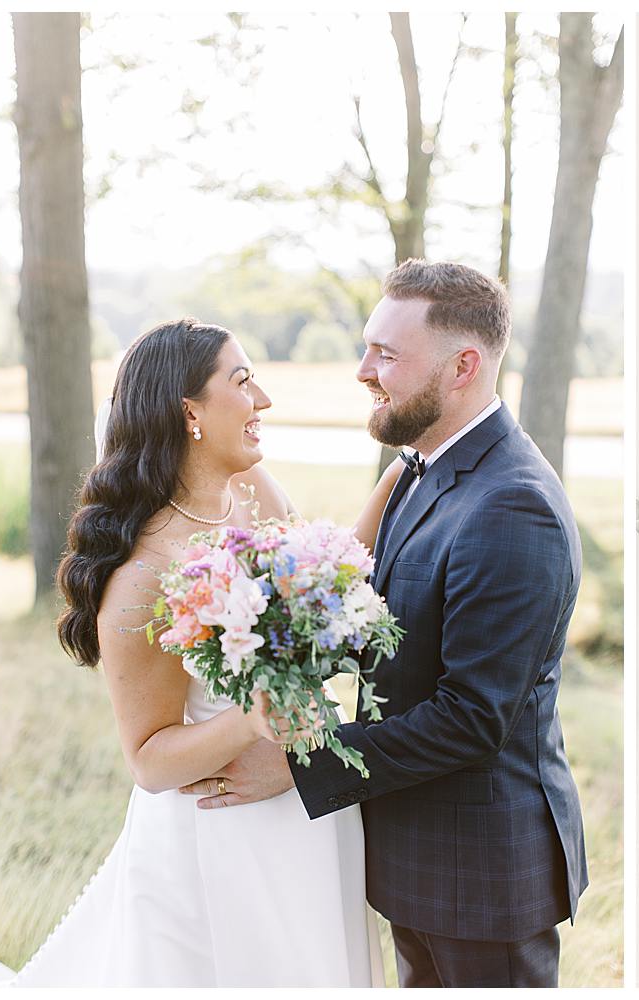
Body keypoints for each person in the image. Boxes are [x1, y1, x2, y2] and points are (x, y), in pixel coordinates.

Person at [182, 260, 589, 988]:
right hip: (419, 861)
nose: (364, 371)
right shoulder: (422, 467)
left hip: (482, 879)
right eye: (369, 347)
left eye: (387, 355)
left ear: (464, 366)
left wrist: (299, 765)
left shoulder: (512, 506)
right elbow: (388, 631)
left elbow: (471, 718)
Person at [13, 318, 394, 987]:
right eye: (243, 382)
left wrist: (400, 479)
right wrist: (251, 720)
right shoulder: (142, 577)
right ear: (190, 410)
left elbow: (325, 585)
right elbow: (149, 760)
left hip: (310, 807)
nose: (264, 401)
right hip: (222, 840)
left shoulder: (253, 492)